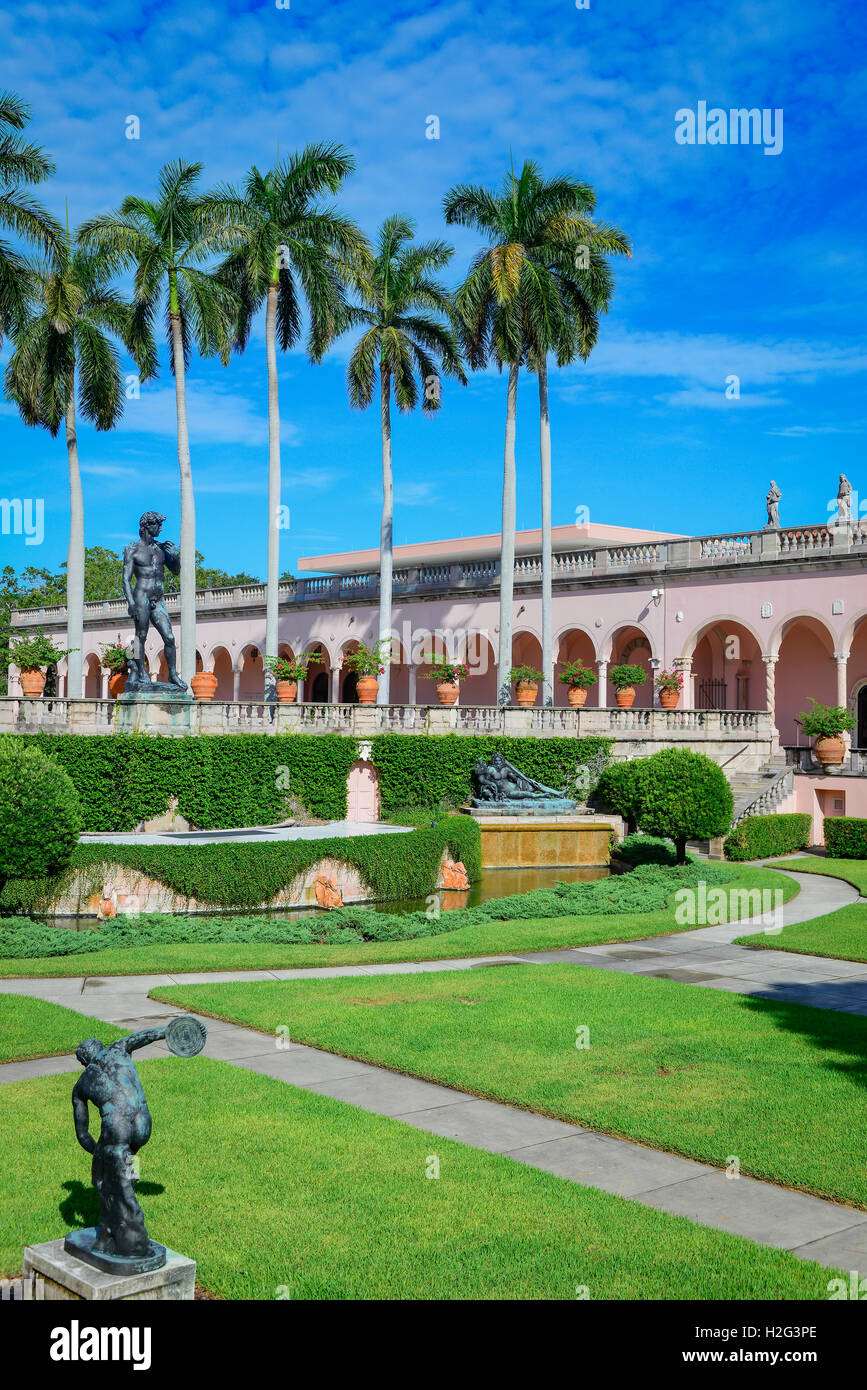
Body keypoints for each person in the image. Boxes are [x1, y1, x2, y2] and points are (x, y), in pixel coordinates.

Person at [71, 1028, 169, 1258]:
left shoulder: (82, 1083)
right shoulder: (119, 1048)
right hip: (143, 1123)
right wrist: (172, 1030)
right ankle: (107, 1234)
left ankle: (133, 1238)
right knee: (128, 1166)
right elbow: (149, 1035)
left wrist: (99, 1152)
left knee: (101, 1181)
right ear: (100, 1047)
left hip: (118, 1126)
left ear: (83, 1060)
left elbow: (83, 1134)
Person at [122, 511, 186, 691]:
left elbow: (175, 570)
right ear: (147, 526)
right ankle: (140, 670)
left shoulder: (161, 549)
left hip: (158, 600)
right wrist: (131, 603)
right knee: (140, 636)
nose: (161, 528)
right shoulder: (132, 550)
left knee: (170, 637)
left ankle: (173, 674)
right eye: (158, 524)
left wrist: (175, 556)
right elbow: (126, 579)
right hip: (141, 597)